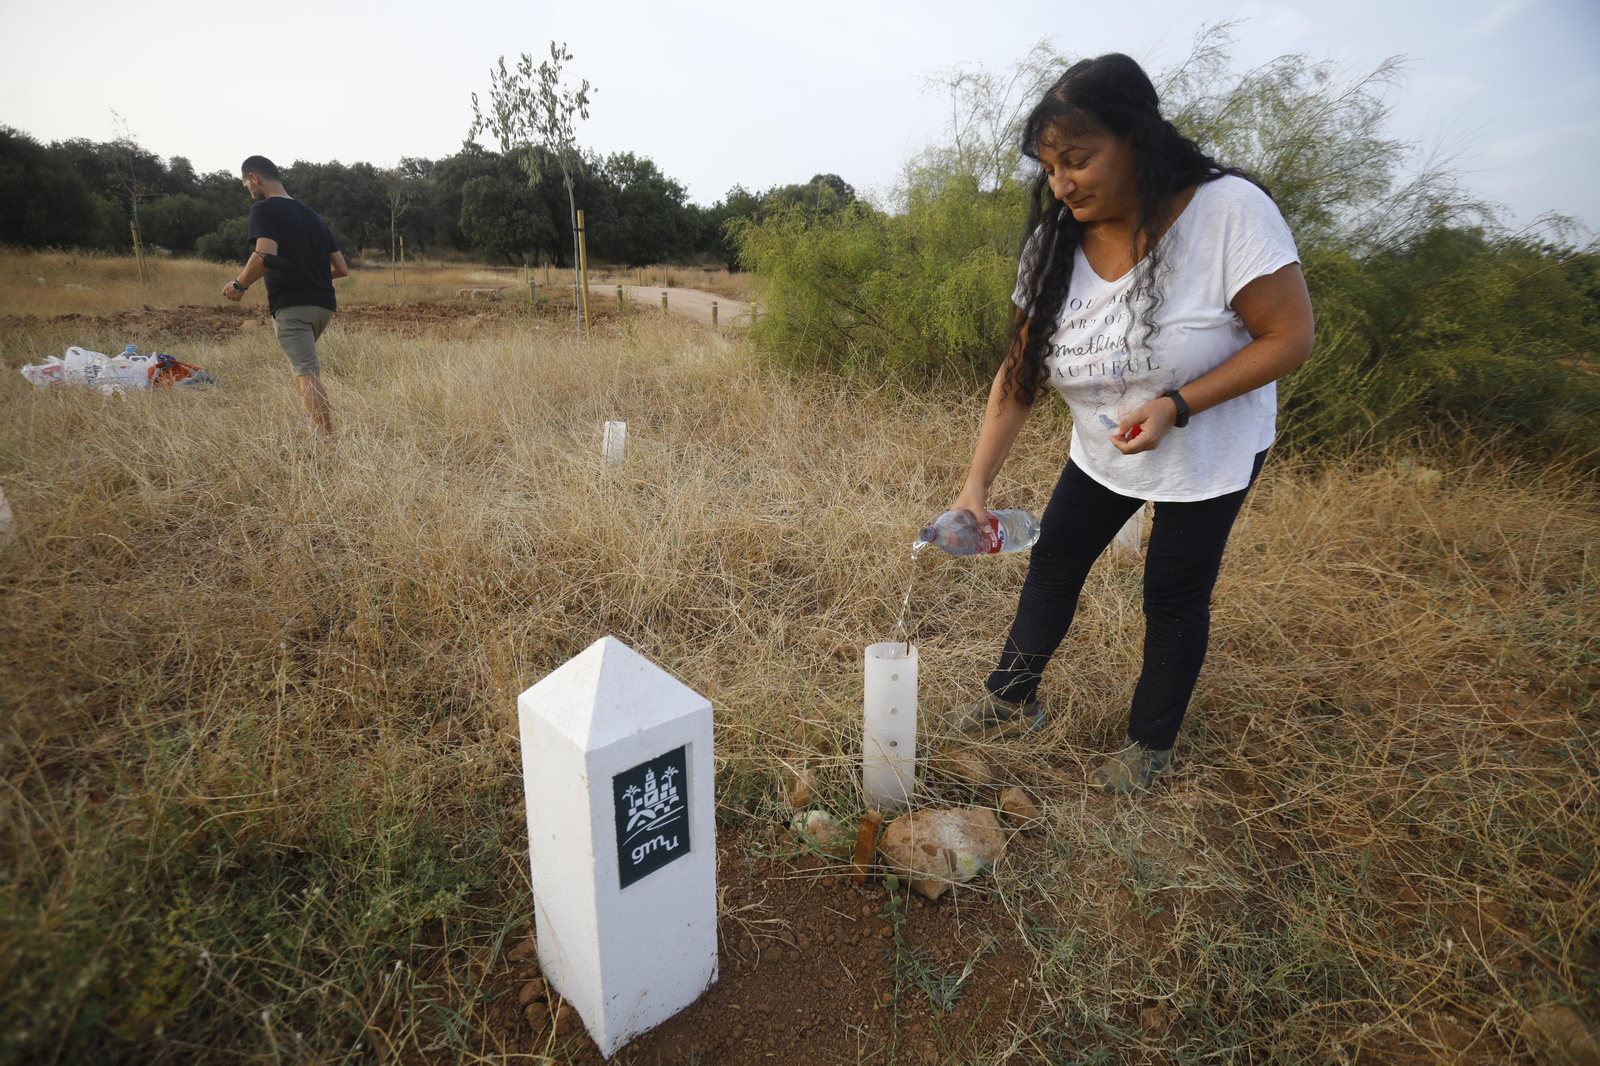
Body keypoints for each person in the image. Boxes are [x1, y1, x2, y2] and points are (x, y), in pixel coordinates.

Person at [943, 53, 1315, 794]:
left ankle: (1150, 745)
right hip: (1103, 445)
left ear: (1137, 140)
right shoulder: (1056, 244)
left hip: (1207, 444)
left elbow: (1289, 337)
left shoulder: (1226, 211)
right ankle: (1011, 696)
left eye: (1078, 160)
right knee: (1055, 562)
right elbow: (1019, 378)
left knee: (1172, 594)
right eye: (1050, 168)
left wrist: (1178, 405)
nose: (1063, 184)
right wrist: (974, 485)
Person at [222, 155, 349, 440]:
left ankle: (327, 440)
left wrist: (239, 284)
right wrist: (312, 276)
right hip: (324, 306)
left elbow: (265, 254)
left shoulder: (264, 209)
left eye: (246, 184)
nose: (248, 191)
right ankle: (311, 419)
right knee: (299, 365)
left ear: (254, 177)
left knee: (307, 372)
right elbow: (341, 269)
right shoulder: (312, 215)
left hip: (293, 306)